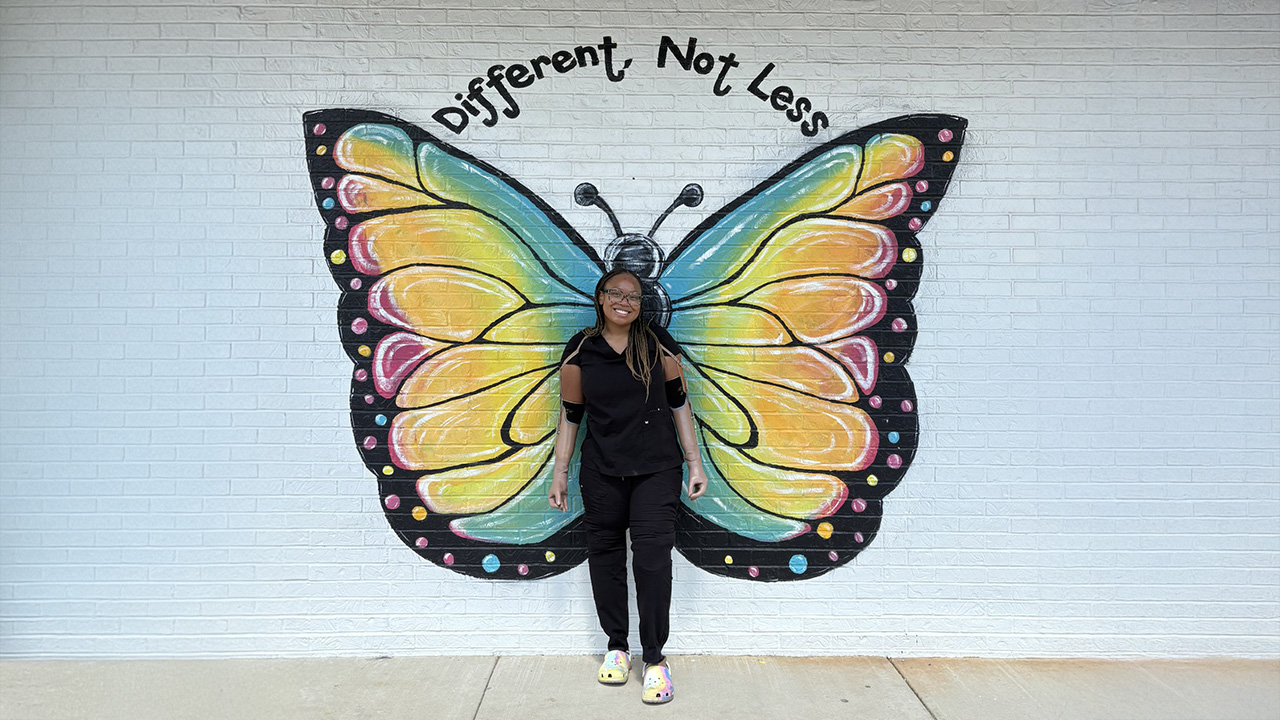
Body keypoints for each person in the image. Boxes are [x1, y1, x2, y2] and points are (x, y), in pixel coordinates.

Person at [548, 268, 708, 705]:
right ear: (600, 298)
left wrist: (694, 461)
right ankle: (617, 647)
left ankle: (655, 659)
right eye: (616, 293)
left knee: (653, 560)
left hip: (657, 470)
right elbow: (571, 414)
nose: (625, 301)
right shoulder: (582, 349)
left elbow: (679, 401)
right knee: (606, 558)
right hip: (601, 472)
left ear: (642, 304)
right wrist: (560, 471)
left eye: (633, 296)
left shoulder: (657, 342)